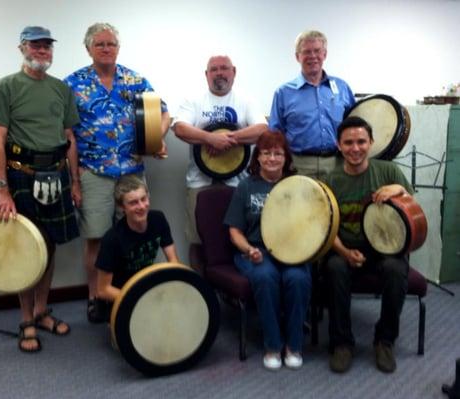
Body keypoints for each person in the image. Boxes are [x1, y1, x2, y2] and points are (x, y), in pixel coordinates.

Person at [64, 23, 170, 322]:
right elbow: (67, 133)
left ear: (118, 48)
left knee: (135, 236)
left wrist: (156, 139)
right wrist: (74, 179)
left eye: (111, 44)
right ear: (88, 49)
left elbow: (164, 112)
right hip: (93, 172)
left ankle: (131, 292)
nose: (106, 48)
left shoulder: (135, 80)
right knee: (96, 239)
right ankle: (96, 297)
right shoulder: (72, 84)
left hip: (132, 173)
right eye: (100, 44)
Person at [0, 26, 81, 353]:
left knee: (49, 247)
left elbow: (69, 136)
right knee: (25, 250)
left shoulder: (60, 89)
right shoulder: (6, 87)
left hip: (57, 174)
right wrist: (2, 190)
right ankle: (26, 318)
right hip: (21, 176)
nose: (42, 52)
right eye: (36, 46)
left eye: (46, 47)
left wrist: (76, 183)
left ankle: (42, 311)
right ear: (22, 48)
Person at [322, 116, 413, 374]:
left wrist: (398, 189)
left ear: (371, 143)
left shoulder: (389, 172)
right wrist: (344, 251)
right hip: (344, 247)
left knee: (396, 270)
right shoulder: (331, 181)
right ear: (339, 146)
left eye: (361, 141)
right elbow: (326, 227)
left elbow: (411, 207)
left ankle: (384, 341)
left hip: (384, 250)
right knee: (335, 268)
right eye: (348, 142)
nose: (355, 148)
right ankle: (341, 343)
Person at [223, 130, 312, 370]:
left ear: (286, 158)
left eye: (278, 153)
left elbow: (312, 225)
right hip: (255, 249)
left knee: (298, 278)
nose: (272, 158)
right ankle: (272, 345)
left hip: (293, 251)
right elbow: (234, 231)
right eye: (266, 153)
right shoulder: (246, 187)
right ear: (257, 158)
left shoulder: (298, 186)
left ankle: (294, 346)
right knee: (265, 276)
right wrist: (249, 249)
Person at [172, 55, 268, 245]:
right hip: (199, 182)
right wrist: (209, 138)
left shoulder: (246, 101)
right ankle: (197, 277)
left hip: (238, 183)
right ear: (206, 75)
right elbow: (180, 128)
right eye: (214, 69)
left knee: (236, 238)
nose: (219, 73)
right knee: (198, 240)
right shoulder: (194, 101)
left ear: (234, 72)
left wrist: (227, 140)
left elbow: (262, 130)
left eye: (224, 68)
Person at [269, 30, 355, 178]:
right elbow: (275, 135)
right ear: (298, 57)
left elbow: (355, 125)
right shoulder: (283, 93)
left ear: (325, 54)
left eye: (317, 51)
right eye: (306, 52)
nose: (313, 56)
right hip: (299, 165)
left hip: (338, 164)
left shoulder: (342, 88)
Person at [95, 176, 179, 308]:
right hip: (121, 295)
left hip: (147, 286)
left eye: (143, 199)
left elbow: (173, 261)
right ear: (122, 207)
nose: (141, 206)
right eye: (133, 202)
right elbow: (102, 290)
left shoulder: (158, 219)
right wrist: (140, 298)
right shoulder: (112, 239)